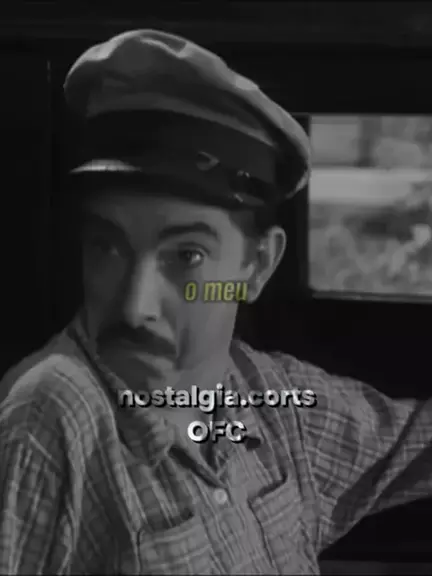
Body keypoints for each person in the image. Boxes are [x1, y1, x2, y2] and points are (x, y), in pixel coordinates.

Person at [0, 29, 431, 576]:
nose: (134, 307)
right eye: (107, 246)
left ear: (258, 265)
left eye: (187, 256)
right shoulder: (50, 418)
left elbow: (414, 443)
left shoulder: (267, 397)